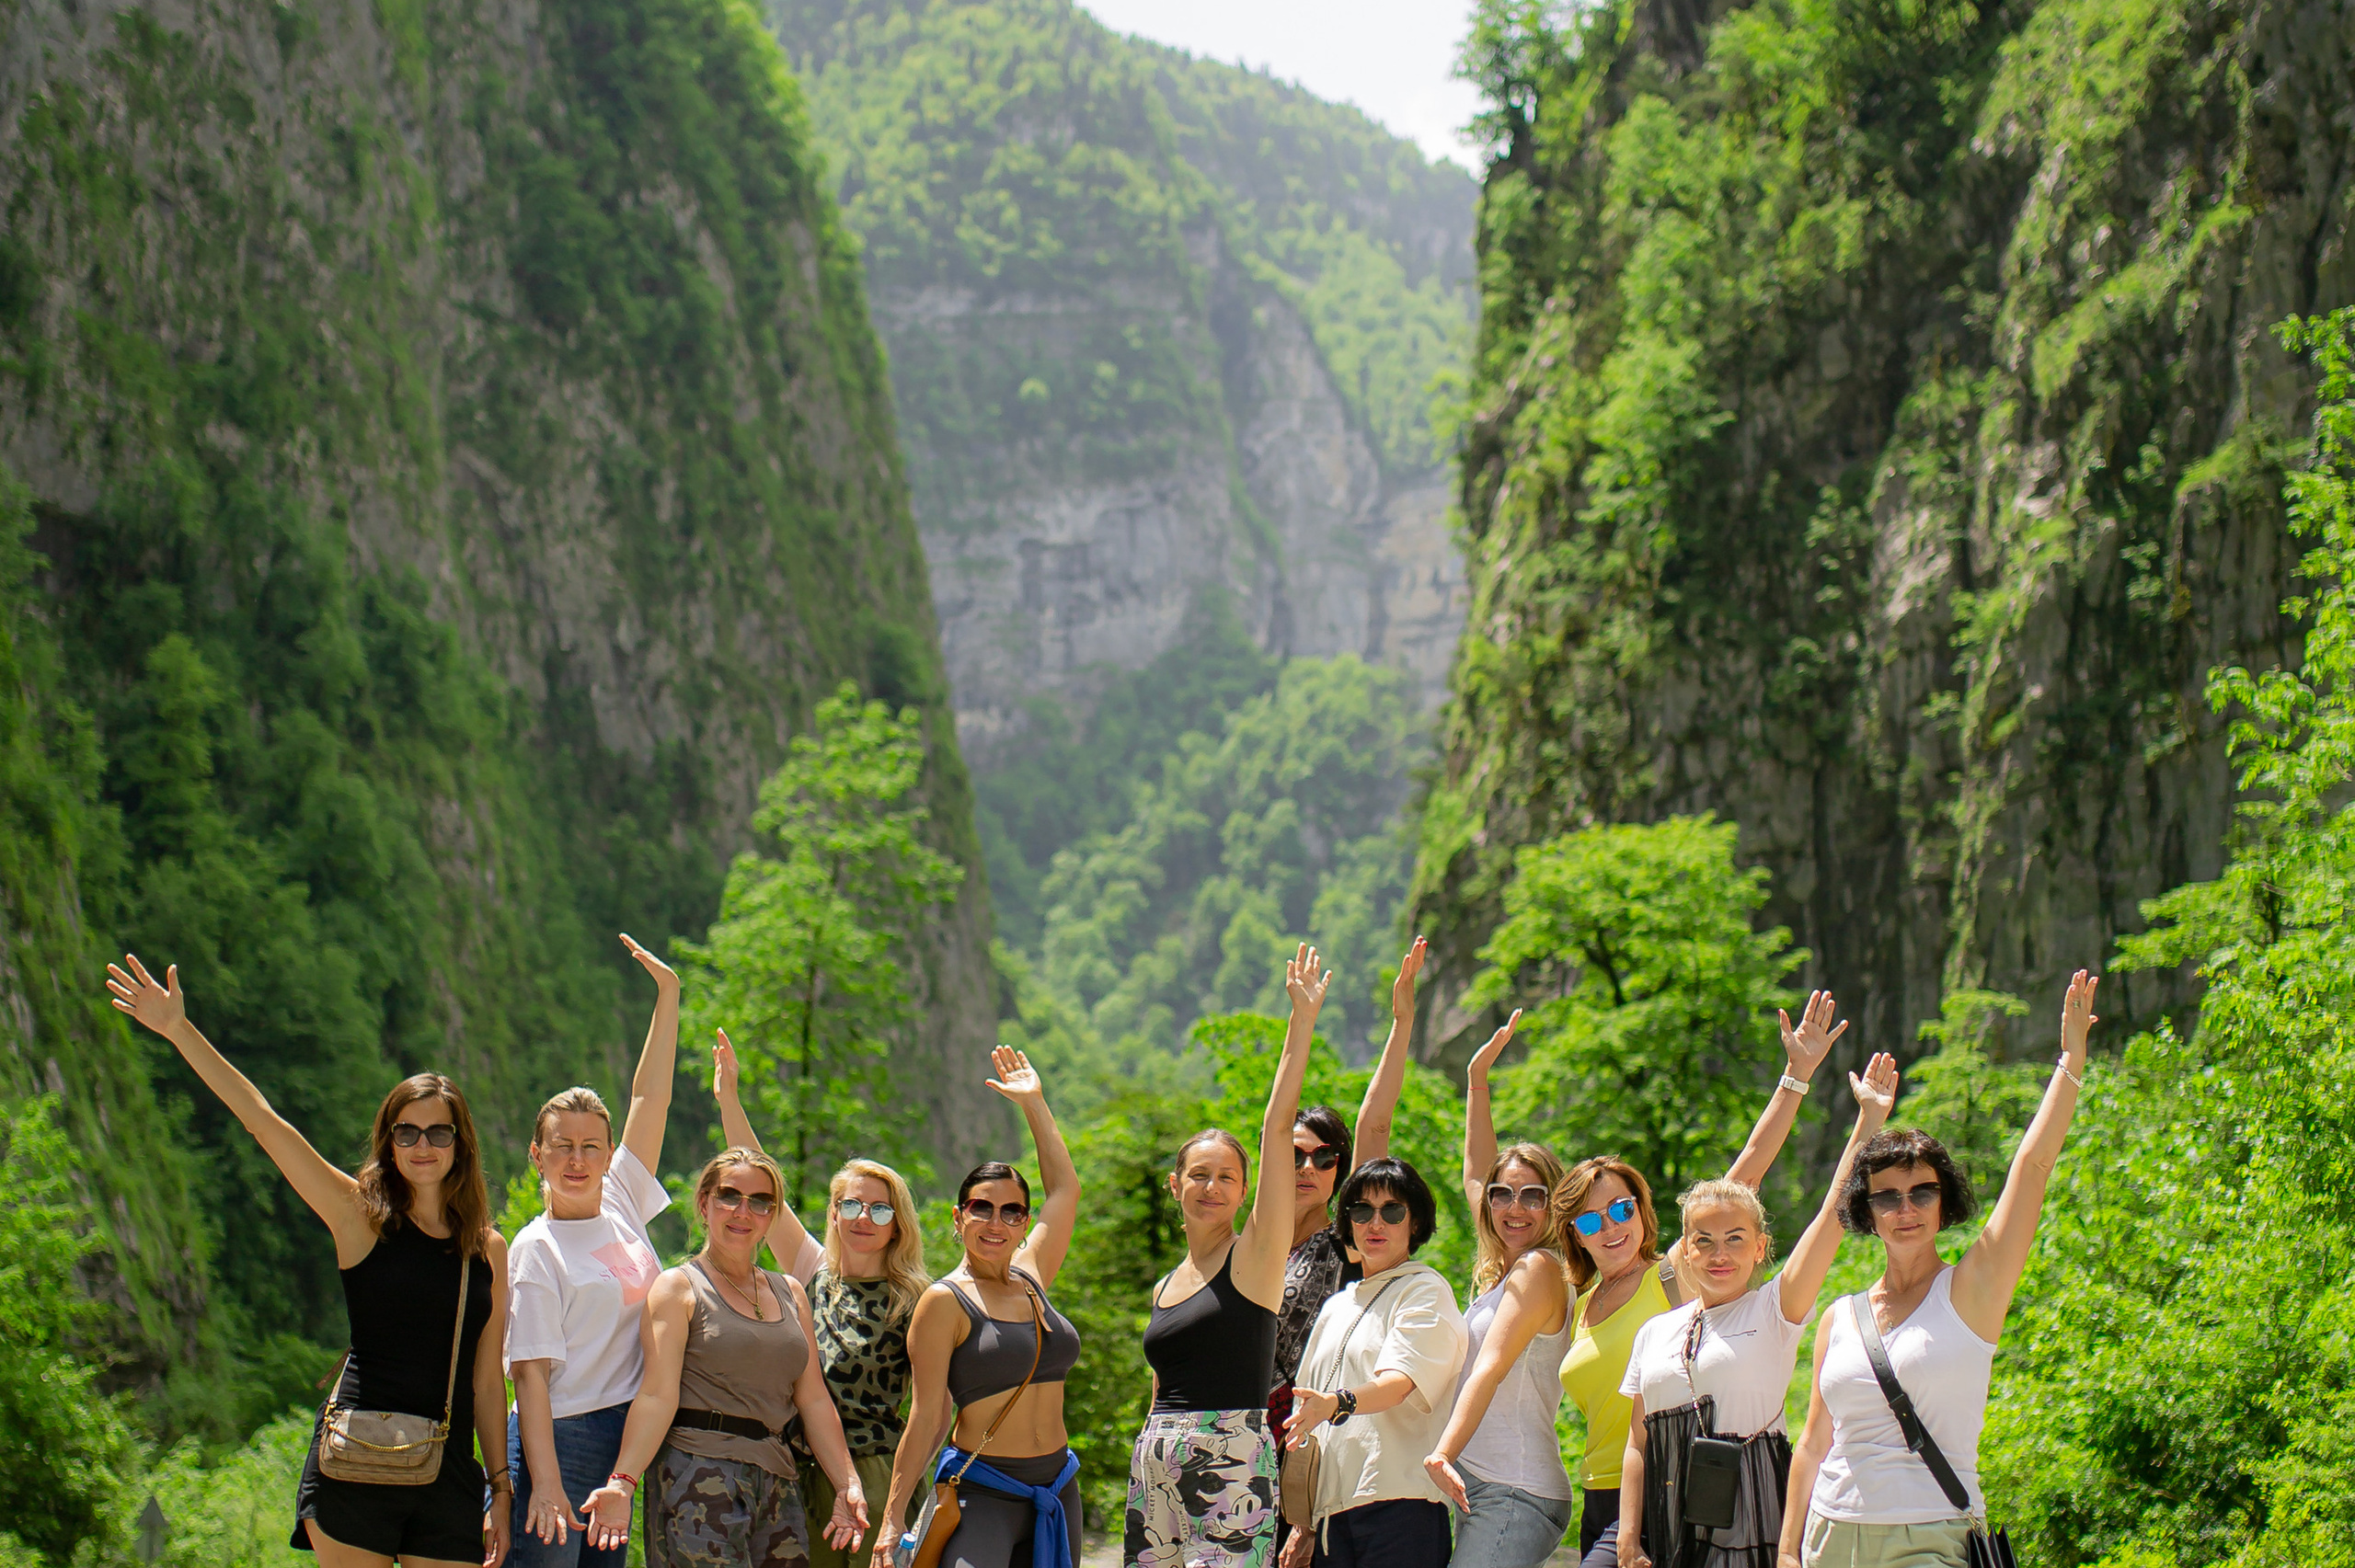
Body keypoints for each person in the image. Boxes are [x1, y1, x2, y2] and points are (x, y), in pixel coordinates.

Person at [105, 955, 512, 1568]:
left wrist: (500, 1490)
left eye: (438, 1132)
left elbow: (486, 1381)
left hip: (448, 1470)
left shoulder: (486, 1248)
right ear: (389, 1140)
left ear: (461, 1143)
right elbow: (265, 1124)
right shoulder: (359, 1215)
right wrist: (178, 1030)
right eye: (407, 1132)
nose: (422, 1145)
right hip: (355, 1462)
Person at [1780, 973, 2100, 1568]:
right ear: (1867, 1212)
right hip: (1829, 1537)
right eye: (1887, 1197)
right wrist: (1787, 1550)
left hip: (1929, 1536)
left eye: (1922, 1193)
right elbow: (1814, 1443)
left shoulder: (1972, 1288)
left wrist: (2070, 1062)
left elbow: (2031, 1166)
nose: (1905, 1209)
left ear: (1944, 1200)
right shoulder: (1839, 1316)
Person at [1558, 991, 1847, 1568]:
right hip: (1600, 1496)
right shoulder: (1578, 1304)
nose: (1611, 1226)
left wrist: (1795, 1075)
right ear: (1576, 1233)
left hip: (1676, 1482)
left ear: (1641, 1212)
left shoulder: (1671, 1273)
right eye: (1591, 1219)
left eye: (1622, 1209)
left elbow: (1748, 1168)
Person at [1616, 1051, 1900, 1568]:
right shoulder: (1654, 1332)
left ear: (1759, 1248)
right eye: (1703, 1240)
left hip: (1750, 1517)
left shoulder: (1774, 1310)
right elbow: (1637, 1443)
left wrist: (1869, 1120)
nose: (1719, 1254)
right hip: (1666, 1523)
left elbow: (1833, 1212)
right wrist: (1629, 1538)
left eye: (1734, 1238)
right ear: (1686, 1247)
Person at [1127, 944, 1329, 1568]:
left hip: (1232, 1461)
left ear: (1245, 1191)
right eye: (1198, 1174)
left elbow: (1276, 1127)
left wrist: (1301, 1022)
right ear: (1176, 1184)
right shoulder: (1167, 1285)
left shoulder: (1255, 1259)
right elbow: (1164, 1384)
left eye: (1225, 1176)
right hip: (1155, 1459)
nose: (1211, 1186)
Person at [576, 1148, 869, 1567]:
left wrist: (847, 1484)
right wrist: (623, 1482)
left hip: (777, 1480)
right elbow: (658, 1396)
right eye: (729, 1196)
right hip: (696, 1476)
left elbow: (813, 1399)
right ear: (704, 1203)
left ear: (772, 1215)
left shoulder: (792, 1294)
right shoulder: (678, 1288)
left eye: (761, 1202)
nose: (743, 1212)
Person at [708, 1029, 931, 1568]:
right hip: (797, 1470)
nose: (863, 1219)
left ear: (898, 1224)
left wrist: (904, 1500)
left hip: (876, 1474)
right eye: (852, 1206)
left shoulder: (917, 1298)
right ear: (833, 1213)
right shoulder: (813, 1272)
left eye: (880, 1210)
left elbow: (931, 1408)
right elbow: (762, 1181)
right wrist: (729, 1101)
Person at [505, 935, 684, 1567]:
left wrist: (669, 997)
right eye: (562, 1146)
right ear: (538, 1155)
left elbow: (649, 1098)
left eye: (590, 1146)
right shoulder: (536, 1249)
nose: (577, 1159)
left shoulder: (621, 1200)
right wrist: (546, 1483)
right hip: (562, 1434)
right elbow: (530, 1375)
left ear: (609, 1154)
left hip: (627, 1436)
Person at [871, 1047, 1083, 1568]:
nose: (996, 1222)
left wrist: (1034, 1103)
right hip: (983, 1490)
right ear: (959, 1216)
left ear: (1023, 1221)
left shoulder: (1032, 1275)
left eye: (1012, 1212)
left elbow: (1065, 1189)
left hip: (1057, 1487)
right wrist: (893, 1517)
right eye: (981, 1208)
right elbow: (925, 1417)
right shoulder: (945, 1301)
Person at [1423, 1010, 1578, 1568]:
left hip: (1515, 1490)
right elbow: (1474, 1173)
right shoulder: (1503, 1269)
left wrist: (1443, 1452)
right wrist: (1477, 1080)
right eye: (1503, 1195)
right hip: (1486, 1489)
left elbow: (1489, 1367)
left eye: (1533, 1195)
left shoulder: (1539, 1269)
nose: (1516, 1207)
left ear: (1553, 1204)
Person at [1281, 1156, 1469, 1568]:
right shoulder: (1336, 1306)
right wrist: (1304, 1526)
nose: (1375, 1223)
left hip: (1402, 1508)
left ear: (1415, 1222)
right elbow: (1307, 1414)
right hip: (1331, 1517)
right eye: (1362, 1211)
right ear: (1348, 1224)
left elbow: (1399, 1383)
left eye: (1393, 1211)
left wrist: (1336, 1403)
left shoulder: (1425, 1291)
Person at [1275, 938, 1428, 1425]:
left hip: (1314, 1422)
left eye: (1325, 1158)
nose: (1308, 1168)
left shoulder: (1347, 1241)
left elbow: (1374, 1126)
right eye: (1295, 1154)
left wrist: (1403, 1021)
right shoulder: (1253, 1243)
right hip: (1239, 1427)